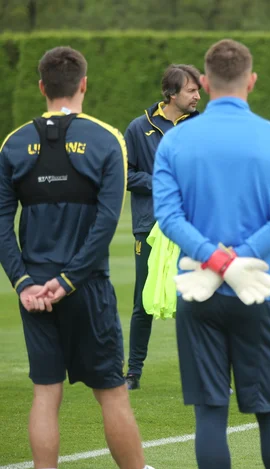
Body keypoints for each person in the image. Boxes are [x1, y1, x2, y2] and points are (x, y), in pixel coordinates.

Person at [152, 38, 270, 468]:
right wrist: (239, 263)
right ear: (251, 81)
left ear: (204, 80)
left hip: (199, 293)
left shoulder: (176, 141)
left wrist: (216, 261)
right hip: (258, 292)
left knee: (210, 415)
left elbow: (168, 214)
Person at [0, 46, 152, 469]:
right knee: (112, 394)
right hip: (87, 288)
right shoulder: (107, 139)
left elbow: (0, 221)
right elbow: (106, 224)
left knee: (46, 394)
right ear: (83, 84)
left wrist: (22, 282)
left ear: (41, 86)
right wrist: (68, 281)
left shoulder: (13, 144)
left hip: (34, 292)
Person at [124, 64, 201, 390]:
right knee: (142, 303)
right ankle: (133, 374)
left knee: (200, 302)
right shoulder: (138, 127)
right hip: (149, 226)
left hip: (194, 227)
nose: (198, 95)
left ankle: (207, 374)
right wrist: (162, 181)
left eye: (199, 89)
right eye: (191, 90)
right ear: (171, 94)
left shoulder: (203, 126)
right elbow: (124, 174)